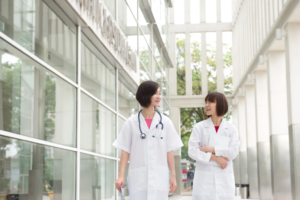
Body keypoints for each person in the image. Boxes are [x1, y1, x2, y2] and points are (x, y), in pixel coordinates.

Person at [113, 81, 183, 200]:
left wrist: (173, 176)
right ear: (145, 95)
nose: (159, 97)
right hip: (138, 178)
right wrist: (120, 176)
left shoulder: (165, 122)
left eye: (160, 93)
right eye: (155, 93)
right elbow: (125, 151)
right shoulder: (131, 122)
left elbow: (169, 150)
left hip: (159, 177)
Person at [188, 92, 240, 200]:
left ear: (220, 104)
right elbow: (192, 151)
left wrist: (209, 149)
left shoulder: (231, 128)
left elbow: (233, 152)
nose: (206, 105)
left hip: (224, 179)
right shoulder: (199, 127)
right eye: (206, 102)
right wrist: (215, 158)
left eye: (210, 102)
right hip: (204, 182)